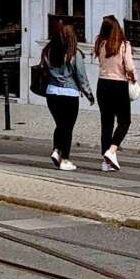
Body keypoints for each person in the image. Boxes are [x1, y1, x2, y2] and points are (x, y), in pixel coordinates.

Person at [42, 21, 94, 170]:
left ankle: (56, 150)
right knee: (68, 127)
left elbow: (44, 70)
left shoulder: (48, 51)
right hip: (69, 93)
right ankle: (64, 158)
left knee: (60, 125)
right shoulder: (74, 53)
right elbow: (81, 76)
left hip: (52, 92)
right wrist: (89, 94)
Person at [92, 15, 136, 171]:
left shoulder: (100, 44)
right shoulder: (124, 45)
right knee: (124, 121)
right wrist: (134, 78)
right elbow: (129, 67)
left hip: (102, 84)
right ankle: (112, 150)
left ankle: (106, 163)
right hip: (119, 85)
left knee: (107, 123)